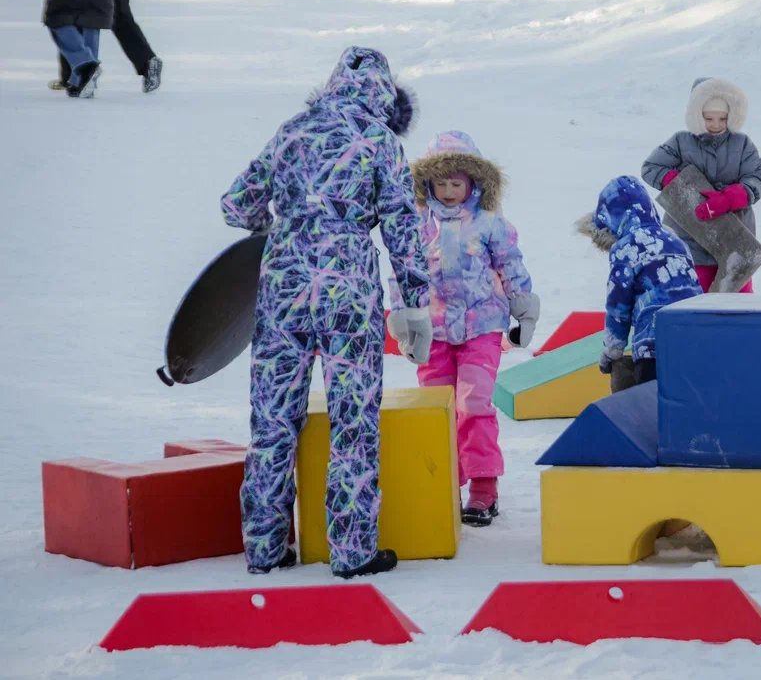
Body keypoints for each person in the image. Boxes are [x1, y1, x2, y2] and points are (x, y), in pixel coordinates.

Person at [222, 47, 433, 578]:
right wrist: (414, 301)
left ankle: (265, 548)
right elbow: (403, 230)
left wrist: (279, 225)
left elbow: (235, 204)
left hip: (283, 287)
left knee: (272, 420)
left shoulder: (293, 130)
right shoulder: (381, 141)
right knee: (352, 420)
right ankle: (352, 550)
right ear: (385, 93)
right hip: (349, 293)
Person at [387, 130, 539, 528]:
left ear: (473, 183)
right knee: (437, 410)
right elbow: (403, 274)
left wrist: (523, 311)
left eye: (458, 182)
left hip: (482, 328)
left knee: (472, 404)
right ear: (428, 183)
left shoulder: (490, 224)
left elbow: (511, 267)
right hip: (433, 330)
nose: (450, 190)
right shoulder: (417, 225)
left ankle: (484, 489)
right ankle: (445, 487)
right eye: (442, 183)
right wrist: (404, 322)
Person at [641, 77, 761, 292]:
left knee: (738, 299)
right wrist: (676, 184)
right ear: (696, 115)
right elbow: (651, 167)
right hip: (687, 237)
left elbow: (756, 177)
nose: (715, 125)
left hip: (734, 239)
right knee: (691, 295)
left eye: (722, 118)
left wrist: (730, 198)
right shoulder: (681, 141)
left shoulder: (742, 143)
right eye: (709, 118)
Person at [578, 175, 702, 386]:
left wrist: (613, 350)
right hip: (693, 336)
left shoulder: (626, 247)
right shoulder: (676, 241)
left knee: (651, 405)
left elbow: (619, 306)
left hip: (653, 343)